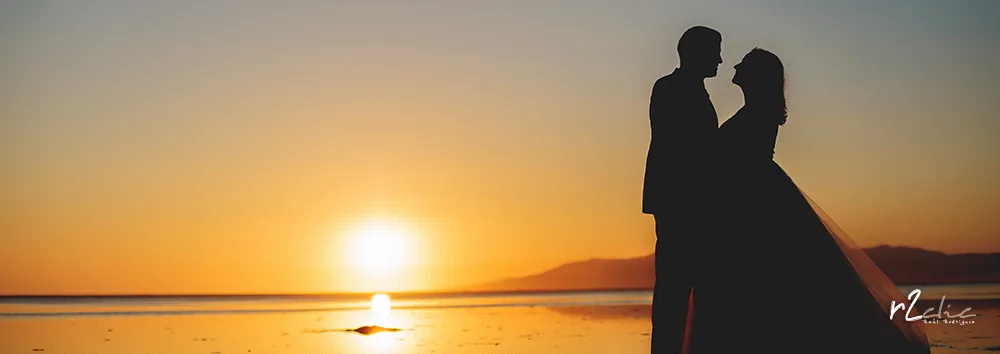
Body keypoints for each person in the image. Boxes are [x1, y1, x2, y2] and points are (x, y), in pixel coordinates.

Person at [683, 48, 931, 354]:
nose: (734, 65)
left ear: (757, 74)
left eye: (744, 63)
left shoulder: (759, 110)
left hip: (757, 202)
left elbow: (739, 159)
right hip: (751, 196)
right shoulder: (757, 108)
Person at [642, 25, 722, 354]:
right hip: (680, 207)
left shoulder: (695, 91)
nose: (720, 59)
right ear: (695, 53)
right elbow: (677, 148)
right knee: (674, 293)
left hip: (696, 208)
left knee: (697, 291)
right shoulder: (669, 88)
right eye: (715, 51)